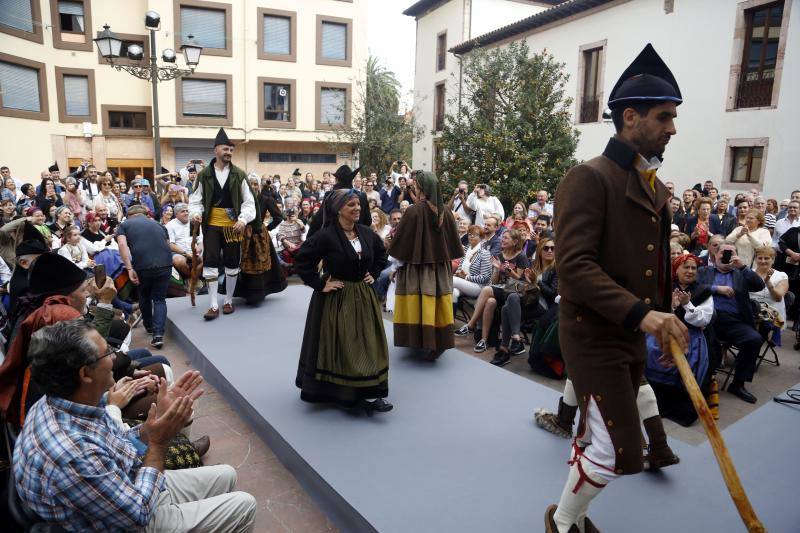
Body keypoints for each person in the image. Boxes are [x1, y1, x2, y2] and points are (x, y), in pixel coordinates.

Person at [545, 44, 689, 533]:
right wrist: (645, 317)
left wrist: (664, 325)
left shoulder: (653, 186)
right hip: (590, 336)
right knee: (616, 450)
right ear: (631, 118)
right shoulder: (587, 178)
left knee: (598, 440)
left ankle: (565, 521)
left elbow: (655, 270)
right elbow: (575, 267)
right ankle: (562, 524)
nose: (672, 128)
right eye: (664, 117)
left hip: (626, 336)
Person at [13, 319, 256, 532]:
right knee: (245, 505)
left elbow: (116, 442)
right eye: (108, 352)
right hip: (130, 518)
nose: (115, 358)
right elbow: (138, 514)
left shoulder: (65, 401)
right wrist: (159, 442)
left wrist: (151, 427)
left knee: (227, 475)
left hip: (126, 484)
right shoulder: (70, 453)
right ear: (85, 374)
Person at [294, 189, 391, 414]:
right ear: (339, 209)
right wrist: (320, 284)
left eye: (359, 204)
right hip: (337, 301)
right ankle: (347, 393)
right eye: (351, 205)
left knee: (367, 343)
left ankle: (370, 392)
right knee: (344, 346)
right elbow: (302, 261)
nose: (357, 208)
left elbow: (381, 255)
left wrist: (374, 272)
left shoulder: (366, 233)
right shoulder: (326, 235)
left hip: (364, 299)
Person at [388, 171, 463, 360]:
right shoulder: (446, 211)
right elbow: (452, 245)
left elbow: (401, 245)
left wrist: (395, 266)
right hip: (440, 270)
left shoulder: (413, 211)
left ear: (420, 188)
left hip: (418, 268)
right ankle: (436, 341)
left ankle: (421, 340)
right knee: (436, 303)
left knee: (419, 302)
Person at [189, 128, 256, 320]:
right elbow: (195, 200)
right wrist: (195, 213)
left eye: (231, 150)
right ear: (215, 151)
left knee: (232, 263)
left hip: (233, 227)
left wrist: (243, 220)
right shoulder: (204, 175)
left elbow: (249, 202)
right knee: (210, 263)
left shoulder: (239, 174)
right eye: (225, 149)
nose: (229, 152)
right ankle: (212, 304)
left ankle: (228, 300)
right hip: (210, 226)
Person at [646, 254, 713, 426]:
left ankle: (679, 411)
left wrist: (687, 304)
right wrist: (673, 307)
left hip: (691, 337)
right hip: (664, 333)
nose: (690, 271)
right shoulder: (665, 288)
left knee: (688, 362)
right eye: (686, 267)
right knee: (651, 351)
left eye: (693, 268)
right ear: (676, 269)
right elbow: (656, 314)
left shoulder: (704, 290)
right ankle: (652, 406)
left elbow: (704, 320)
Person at [697, 243, 765, 403]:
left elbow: (759, 285)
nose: (726, 255)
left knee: (754, 339)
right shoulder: (704, 271)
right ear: (715, 255)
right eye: (723, 252)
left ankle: (738, 384)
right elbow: (695, 287)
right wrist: (716, 289)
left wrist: (741, 266)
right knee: (709, 344)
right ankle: (705, 382)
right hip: (708, 319)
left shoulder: (740, 273)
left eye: (731, 252)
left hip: (734, 321)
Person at [454, 229, 529, 353]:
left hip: (514, 293)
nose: (501, 240)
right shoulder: (500, 254)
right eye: (502, 237)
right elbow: (494, 280)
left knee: (487, 289)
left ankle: (470, 325)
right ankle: (484, 340)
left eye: (505, 238)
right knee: (490, 302)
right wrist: (496, 269)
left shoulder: (521, 256)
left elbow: (520, 279)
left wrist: (506, 270)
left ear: (515, 241)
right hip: (500, 289)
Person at [492, 238, 557, 367]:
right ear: (539, 251)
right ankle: (513, 339)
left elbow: (553, 294)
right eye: (546, 248)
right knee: (508, 304)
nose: (550, 251)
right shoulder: (533, 265)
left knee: (507, 306)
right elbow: (523, 284)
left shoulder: (556, 269)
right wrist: (525, 278)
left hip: (544, 305)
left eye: (553, 248)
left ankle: (506, 348)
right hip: (528, 300)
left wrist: (537, 282)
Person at [117, 205, 174, 349]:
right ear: (145, 214)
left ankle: (148, 325)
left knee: (144, 294)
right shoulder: (160, 225)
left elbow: (122, 245)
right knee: (160, 299)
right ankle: (158, 335)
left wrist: (129, 268)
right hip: (165, 264)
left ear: (129, 215)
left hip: (143, 265)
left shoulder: (124, 225)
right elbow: (168, 246)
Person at [233, 176, 287, 305]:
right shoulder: (242, 200)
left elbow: (279, 217)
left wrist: (266, 229)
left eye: (255, 183)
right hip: (243, 236)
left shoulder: (266, 199)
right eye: (250, 184)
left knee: (260, 263)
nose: (253, 186)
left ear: (259, 185)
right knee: (244, 263)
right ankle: (245, 292)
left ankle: (258, 293)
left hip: (259, 237)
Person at [307, 165, 370, 237]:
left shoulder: (330, 195)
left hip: (335, 239)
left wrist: (309, 239)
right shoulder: (362, 196)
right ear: (352, 180)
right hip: (357, 238)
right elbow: (368, 221)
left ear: (337, 179)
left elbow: (318, 220)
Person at [750, 245, 789, 335]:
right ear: (755, 259)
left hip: (772, 314)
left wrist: (768, 282)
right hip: (750, 311)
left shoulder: (781, 275)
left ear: (773, 260)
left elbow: (778, 298)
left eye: (766, 258)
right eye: (760, 258)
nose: (763, 261)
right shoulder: (749, 273)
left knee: (765, 324)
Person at [452, 225, 492, 303]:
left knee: (450, 280)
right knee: (454, 293)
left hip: (478, 286)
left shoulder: (485, 253)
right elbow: (460, 266)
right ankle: (450, 315)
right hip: (463, 282)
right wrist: (458, 273)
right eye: (470, 234)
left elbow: (485, 278)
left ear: (481, 237)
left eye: (475, 234)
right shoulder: (467, 249)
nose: (471, 236)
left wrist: (466, 277)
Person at [166, 203, 203, 279]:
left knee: (208, 259)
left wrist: (196, 252)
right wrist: (185, 253)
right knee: (179, 261)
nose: (186, 213)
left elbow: (201, 241)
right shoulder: (170, 225)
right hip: (179, 253)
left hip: (194, 251)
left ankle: (194, 280)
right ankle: (190, 279)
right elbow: (171, 245)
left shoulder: (194, 223)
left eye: (187, 211)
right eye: (183, 211)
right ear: (176, 214)